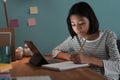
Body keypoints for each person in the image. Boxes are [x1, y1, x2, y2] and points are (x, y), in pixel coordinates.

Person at [52, 2, 120, 80]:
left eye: (81, 23)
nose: (77, 28)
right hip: (84, 76)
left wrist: (90, 60)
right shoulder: (74, 39)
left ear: (90, 20)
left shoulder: (108, 36)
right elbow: (55, 51)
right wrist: (71, 57)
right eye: (73, 24)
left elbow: (118, 66)